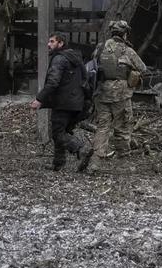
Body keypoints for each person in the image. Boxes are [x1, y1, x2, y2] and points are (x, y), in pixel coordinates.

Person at [86, 20, 146, 172]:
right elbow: (142, 68)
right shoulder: (127, 50)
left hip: (101, 93)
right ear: (125, 33)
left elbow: (92, 66)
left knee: (103, 127)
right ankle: (123, 161)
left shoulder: (100, 48)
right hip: (121, 94)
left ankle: (95, 162)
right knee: (122, 126)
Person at [30, 33, 92, 171]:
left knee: (58, 133)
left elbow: (53, 82)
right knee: (61, 131)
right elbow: (86, 79)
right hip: (77, 103)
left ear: (61, 43)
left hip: (64, 102)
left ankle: (82, 148)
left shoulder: (59, 59)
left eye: (52, 41)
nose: (48, 44)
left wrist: (39, 99)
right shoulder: (76, 58)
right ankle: (58, 164)